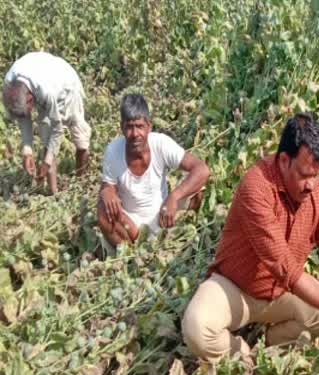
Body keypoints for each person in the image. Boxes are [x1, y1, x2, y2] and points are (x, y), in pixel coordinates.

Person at [182, 112, 319, 363]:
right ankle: (244, 356)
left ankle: (272, 344)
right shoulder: (255, 187)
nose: (311, 184)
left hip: (280, 292)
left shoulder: (316, 194)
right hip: (236, 286)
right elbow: (287, 267)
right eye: (304, 175)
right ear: (283, 160)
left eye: (316, 175)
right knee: (196, 327)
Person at [97, 93, 210, 246]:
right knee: (103, 208)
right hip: (131, 226)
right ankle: (130, 254)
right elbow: (107, 186)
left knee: (198, 189)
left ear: (149, 126)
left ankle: (183, 239)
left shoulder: (160, 143)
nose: (135, 134)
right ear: (121, 128)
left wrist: (174, 197)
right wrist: (107, 192)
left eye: (140, 126)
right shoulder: (113, 150)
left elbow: (202, 169)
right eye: (129, 127)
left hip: (163, 216)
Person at [3, 52, 92, 194]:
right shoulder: (11, 85)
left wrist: (47, 161)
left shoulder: (46, 91)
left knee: (79, 137)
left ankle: (81, 184)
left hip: (66, 85)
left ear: (30, 100)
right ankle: (53, 192)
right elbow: (22, 116)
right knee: (46, 136)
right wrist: (27, 150)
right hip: (42, 76)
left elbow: (57, 131)